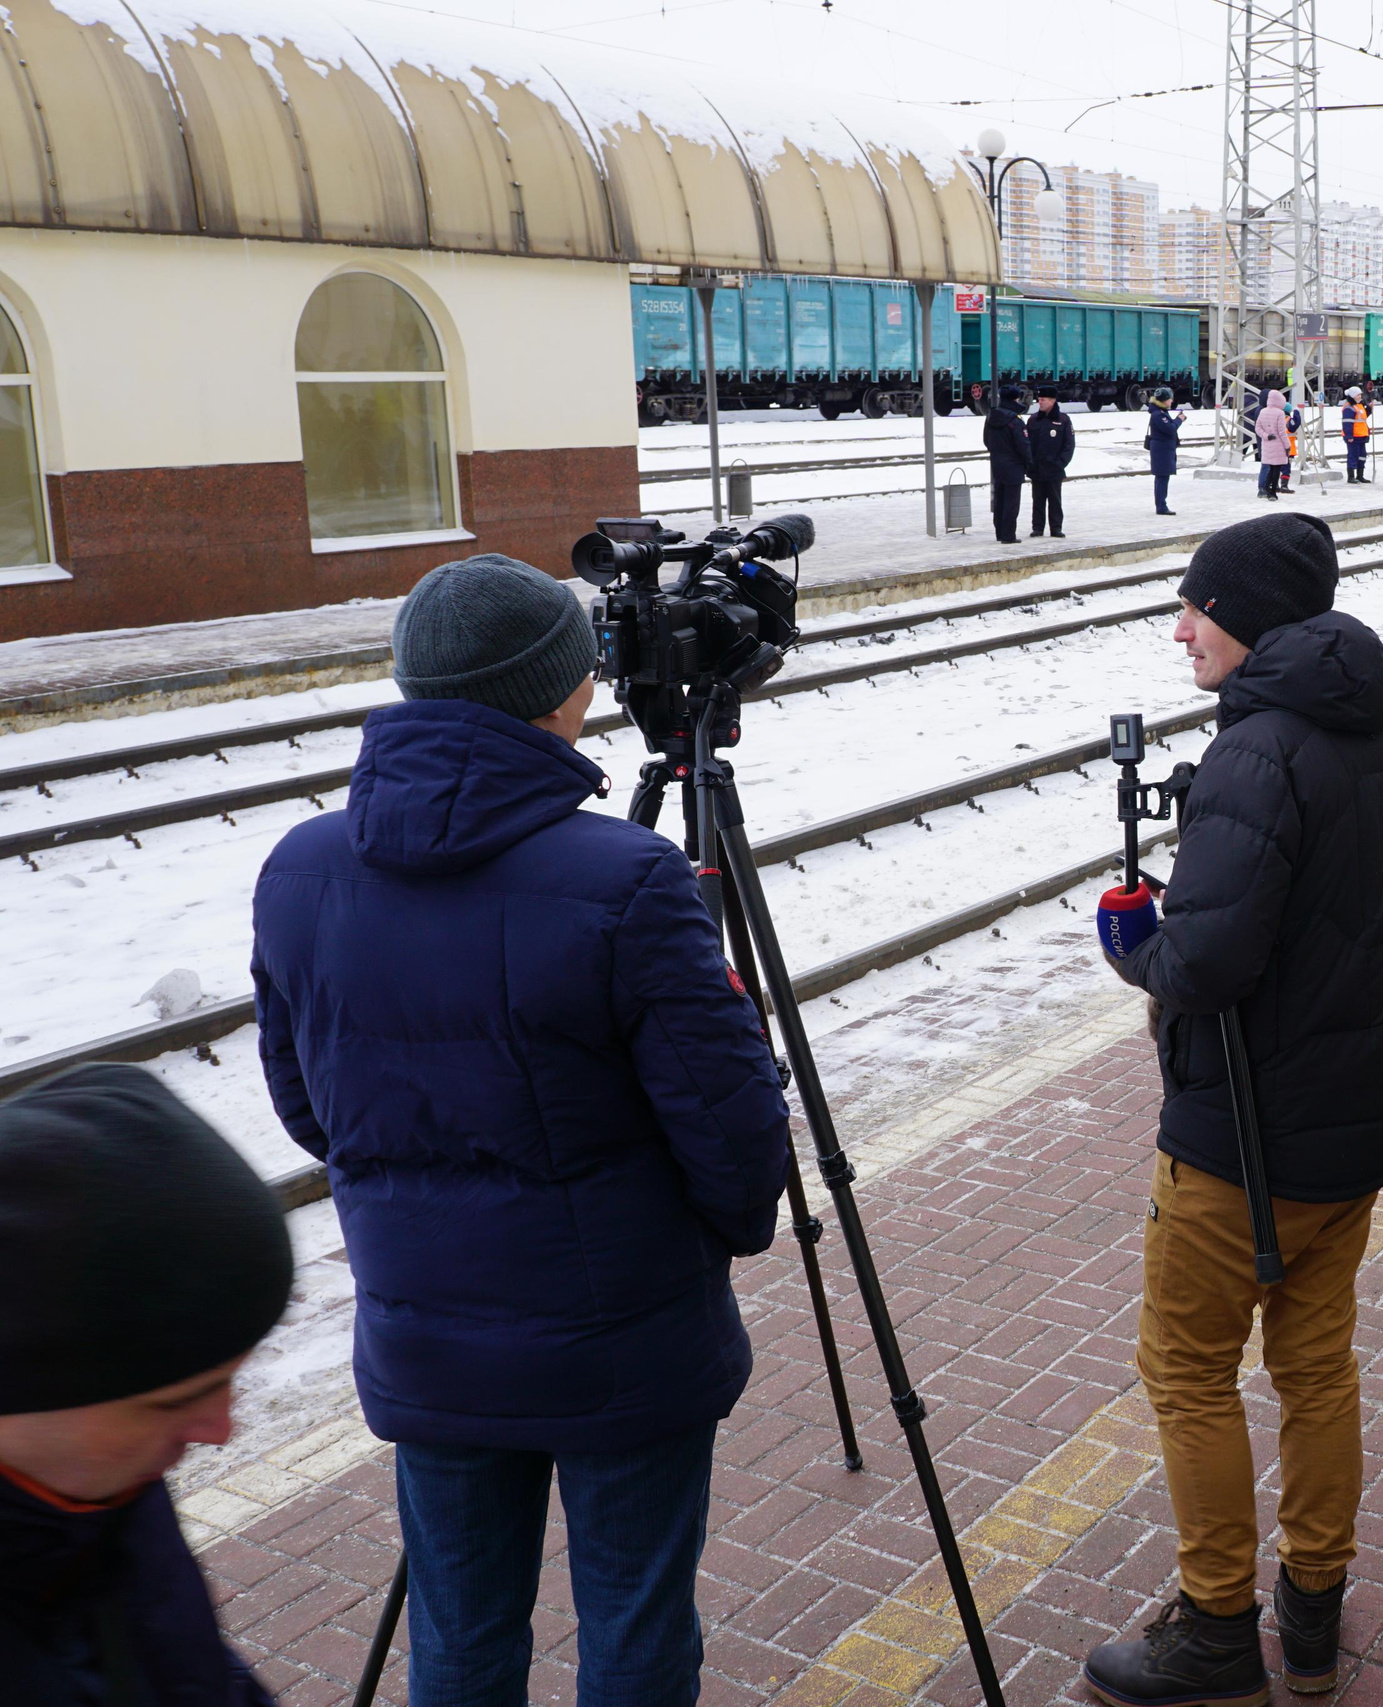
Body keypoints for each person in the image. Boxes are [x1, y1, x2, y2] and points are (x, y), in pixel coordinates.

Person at [251, 555, 794, 1702]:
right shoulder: (628, 879)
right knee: (635, 1626)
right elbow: (736, 1136)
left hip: (425, 1331)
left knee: (458, 1633)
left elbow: (309, 1109)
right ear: (561, 690)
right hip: (623, 1337)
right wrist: (725, 1234)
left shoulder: (301, 871)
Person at [1086, 513, 1383, 1707]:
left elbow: (1206, 965)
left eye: (1195, 609)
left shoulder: (1255, 752)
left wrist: (1139, 948)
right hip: (1352, 1129)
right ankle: (1315, 1615)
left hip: (1236, 1138)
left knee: (1188, 1372)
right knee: (1316, 1366)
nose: (1181, 630)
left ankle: (1214, 1631)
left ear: (1245, 621)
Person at [0, 1065, 294, 1706]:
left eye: (228, 1380)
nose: (221, 1430)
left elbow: (190, 1672)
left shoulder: (105, 1490)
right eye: (171, 1401)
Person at [1027, 383, 1076, 538]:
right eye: (1039, 399)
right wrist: (1030, 463)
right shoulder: (1033, 420)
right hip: (1037, 468)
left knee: (1055, 500)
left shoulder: (1063, 420)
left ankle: (1056, 527)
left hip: (1054, 468)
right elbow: (1027, 444)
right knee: (1038, 500)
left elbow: (1069, 445)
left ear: (1052, 401)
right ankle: (1037, 527)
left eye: (1043, 399)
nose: (1039, 402)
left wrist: (1061, 463)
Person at [984, 385, 1031, 544]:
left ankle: (999, 533)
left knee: (1000, 499)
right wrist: (1027, 462)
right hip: (1014, 465)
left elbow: (986, 440)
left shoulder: (991, 416)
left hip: (997, 464)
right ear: (1015, 399)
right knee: (1012, 502)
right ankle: (1008, 535)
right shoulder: (1015, 420)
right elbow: (1023, 445)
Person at [1147, 387, 1185, 516]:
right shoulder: (1158, 414)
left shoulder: (1160, 412)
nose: (1171, 401)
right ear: (1164, 401)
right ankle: (1161, 506)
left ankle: (1161, 505)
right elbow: (1170, 429)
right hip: (1162, 450)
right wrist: (1179, 420)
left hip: (1163, 449)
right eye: (1169, 399)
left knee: (1162, 477)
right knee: (1162, 477)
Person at [1255, 390, 1291, 500]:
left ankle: (1265, 488)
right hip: (1278, 445)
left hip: (1266, 445)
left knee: (1269, 468)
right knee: (1276, 469)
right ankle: (1273, 493)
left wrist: (1266, 436)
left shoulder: (1263, 411)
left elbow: (1257, 428)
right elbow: (1282, 432)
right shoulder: (1280, 413)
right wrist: (1287, 445)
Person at [1341, 387, 1372, 484]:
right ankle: (1351, 477)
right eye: (1358, 395)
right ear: (1353, 396)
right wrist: (1349, 436)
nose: (1360, 396)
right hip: (1354, 436)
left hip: (1362, 435)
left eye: (1360, 394)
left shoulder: (1359, 405)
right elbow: (1347, 423)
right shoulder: (1349, 407)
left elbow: (1363, 417)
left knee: (1362, 456)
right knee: (1353, 456)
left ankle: (1360, 475)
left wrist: (1369, 408)